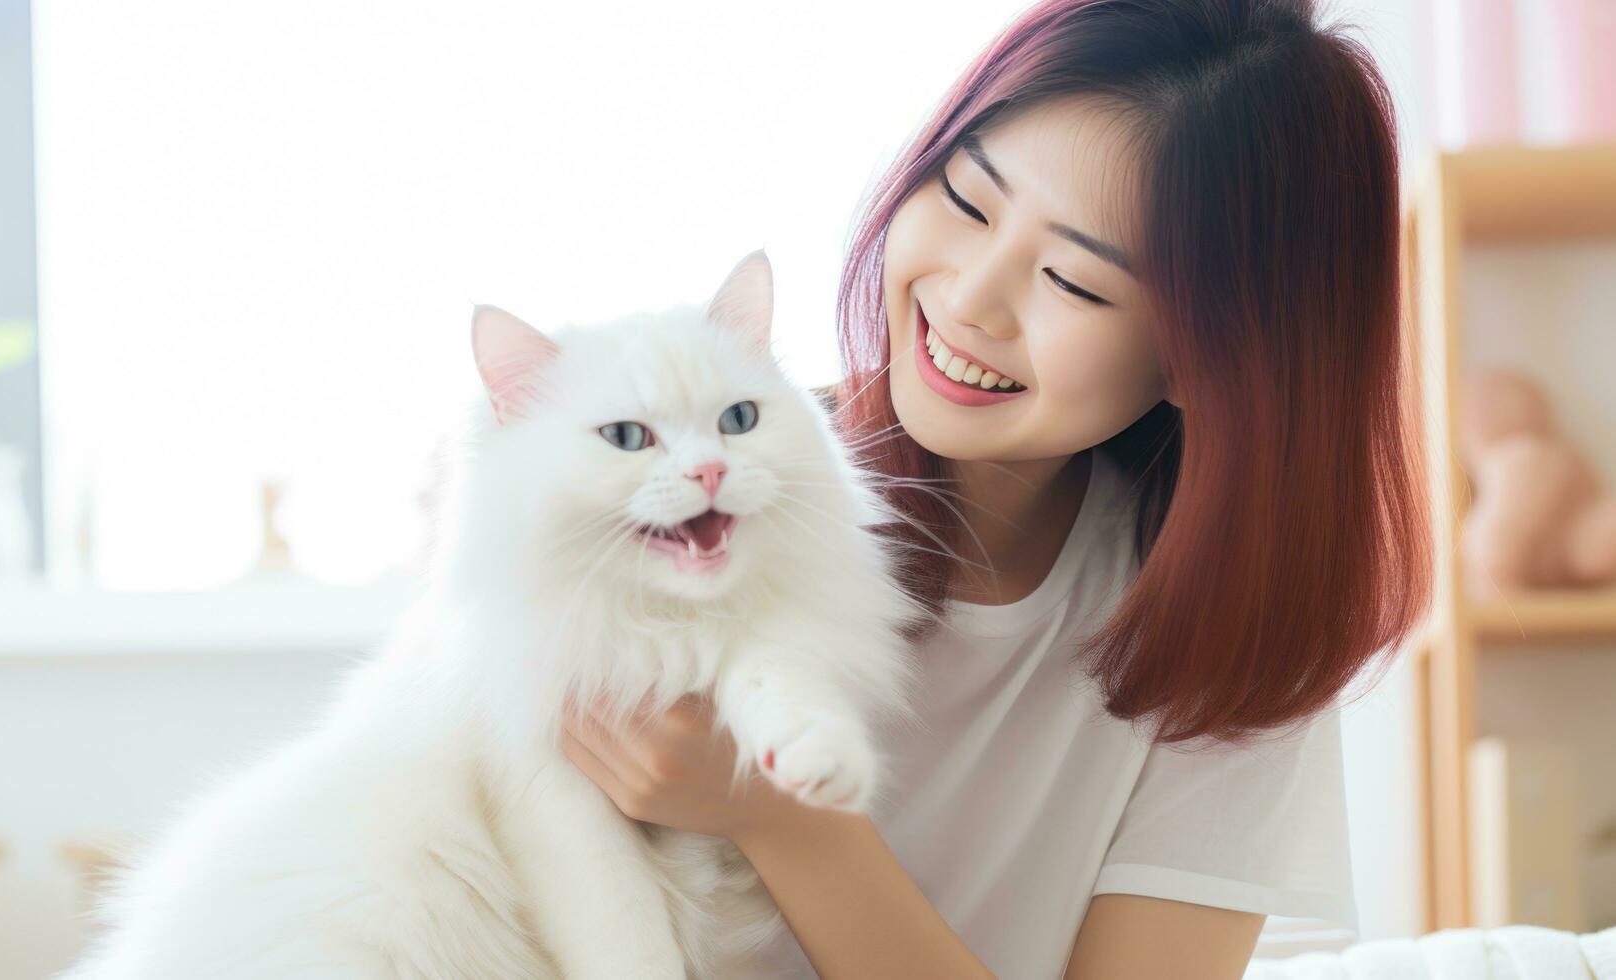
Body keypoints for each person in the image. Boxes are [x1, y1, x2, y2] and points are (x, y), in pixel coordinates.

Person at [557, 0, 1432, 976]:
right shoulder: (683, 510)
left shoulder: (1232, 645)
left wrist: (781, 814)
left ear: (1212, 360)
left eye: (1074, 281)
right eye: (968, 201)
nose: (969, 299)